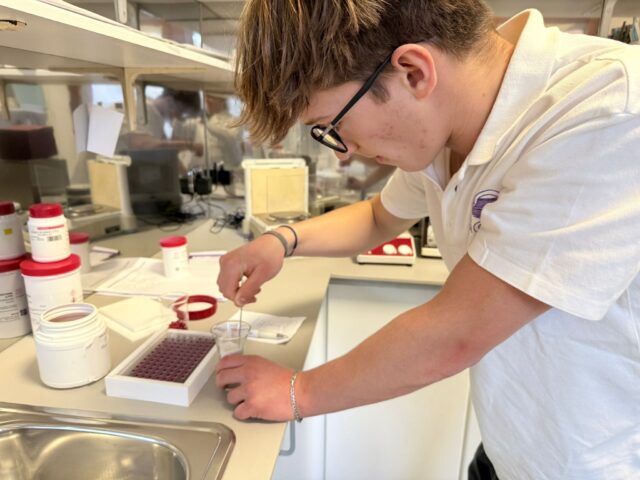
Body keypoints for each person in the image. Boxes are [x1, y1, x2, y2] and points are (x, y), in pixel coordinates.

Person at [214, 1, 640, 478]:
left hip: (594, 462)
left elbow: (458, 331)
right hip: (513, 445)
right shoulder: (447, 129)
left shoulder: (610, 109)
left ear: (414, 72)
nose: (346, 151)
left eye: (333, 126)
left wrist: (298, 391)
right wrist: (281, 241)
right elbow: (379, 217)